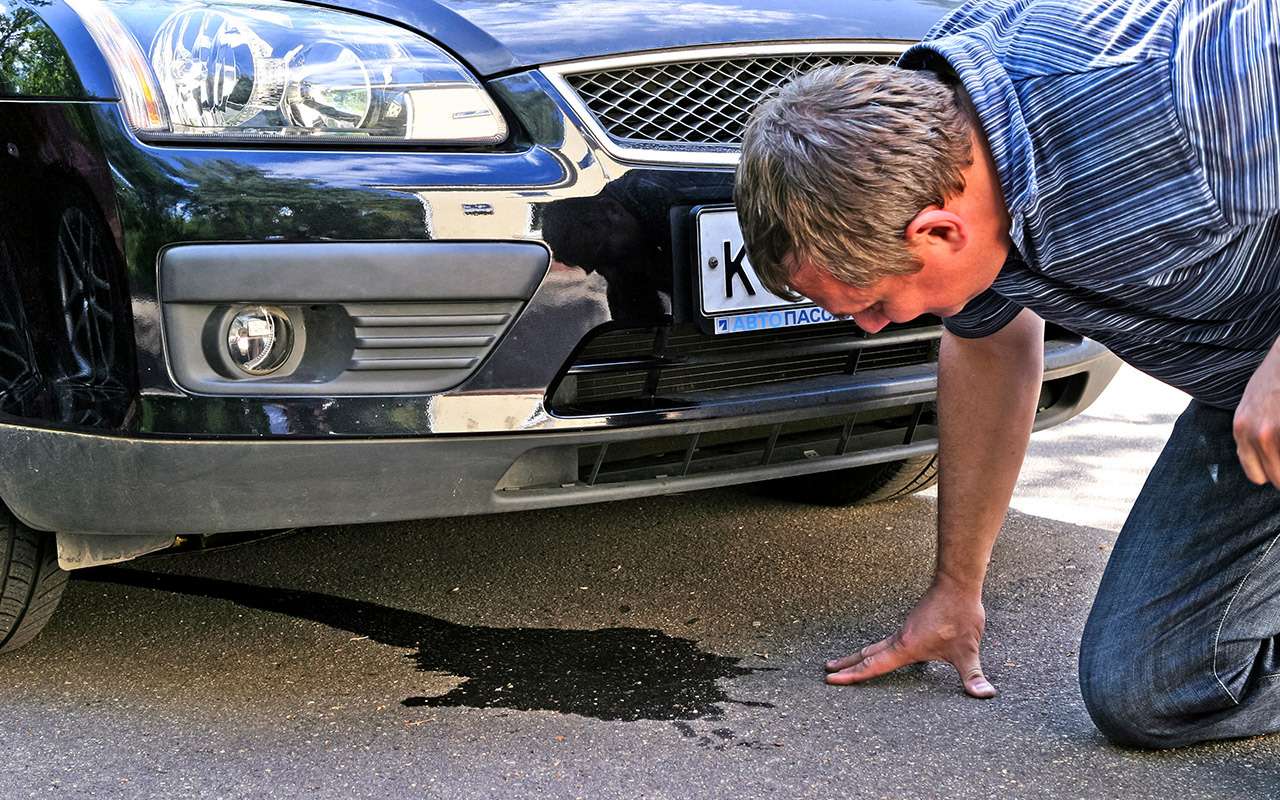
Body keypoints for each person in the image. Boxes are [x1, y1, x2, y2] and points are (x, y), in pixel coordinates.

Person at [734, 0, 1280, 749]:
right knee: (1150, 689)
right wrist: (957, 588)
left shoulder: (1173, 95)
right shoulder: (937, 154)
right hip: (1244, 399)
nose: (871, 327)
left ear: (939, 232)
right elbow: (990, 344)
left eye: (874, 304)